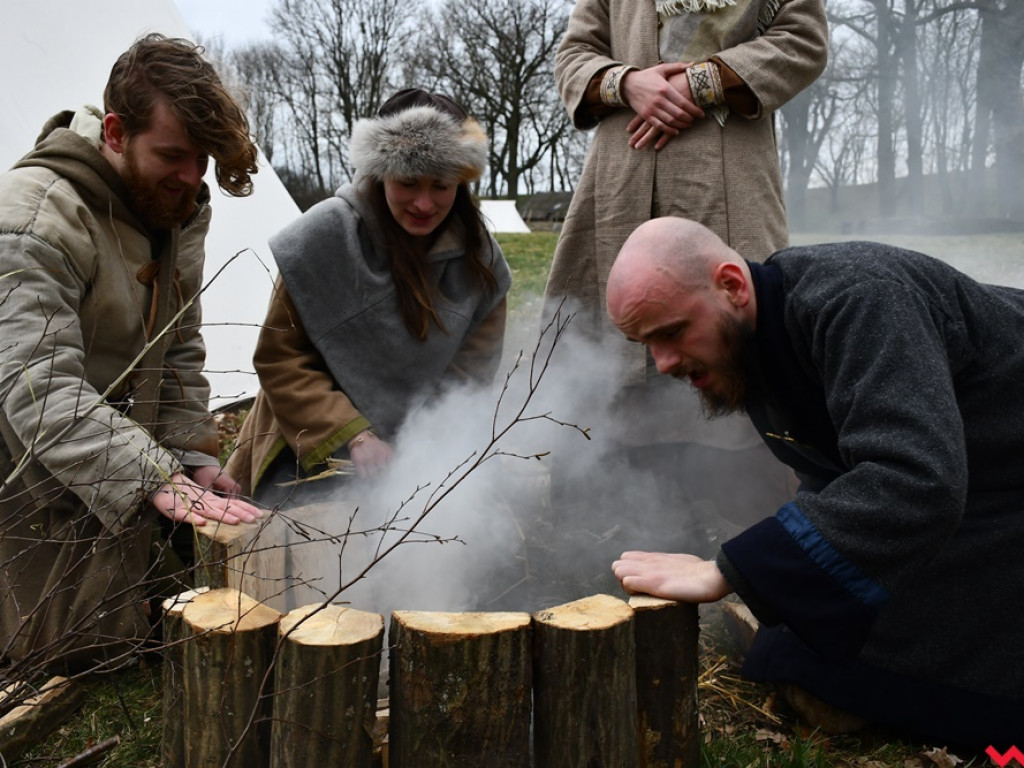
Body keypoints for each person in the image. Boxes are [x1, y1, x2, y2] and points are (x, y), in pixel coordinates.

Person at [605, 216, 1024, 750]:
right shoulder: (756, 335)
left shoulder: (859, 299)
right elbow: (833, 475)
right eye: (646, 342)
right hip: (968, 483)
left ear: (731, 285)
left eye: (672, 332)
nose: (662, 363)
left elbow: (916, 480)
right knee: (796, 653)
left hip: (997, 485)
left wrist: (732, 570)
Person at [0, 34, 264, 674]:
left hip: (103, 450)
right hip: (19, 457)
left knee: (152, 619)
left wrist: (190, 459)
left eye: (201, 159)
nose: (191, 177)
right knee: (67, 650)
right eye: (173, 155)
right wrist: (154, 478)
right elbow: (38, 388)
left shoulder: (169, 201)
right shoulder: (36, 217)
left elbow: (176, 347)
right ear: (115, 132)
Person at [540, 0, 831, 561]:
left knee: (742, 337)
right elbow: (575, 54)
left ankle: (763, 561)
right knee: (608, 353)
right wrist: (629, 85)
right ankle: (614, 545)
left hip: (730, 183)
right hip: (620, 180)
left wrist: (701, 81)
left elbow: (802, 41)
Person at [225, 89, 511, 504]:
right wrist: (355, 436)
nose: (424, 203)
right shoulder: (321, 239)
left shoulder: (481, 264)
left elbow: (469, 379)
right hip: (311, 442)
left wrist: (422, 453)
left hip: (421, 446)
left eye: (442, 185)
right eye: (408, 182)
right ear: (379, 174)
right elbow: (280, 359)